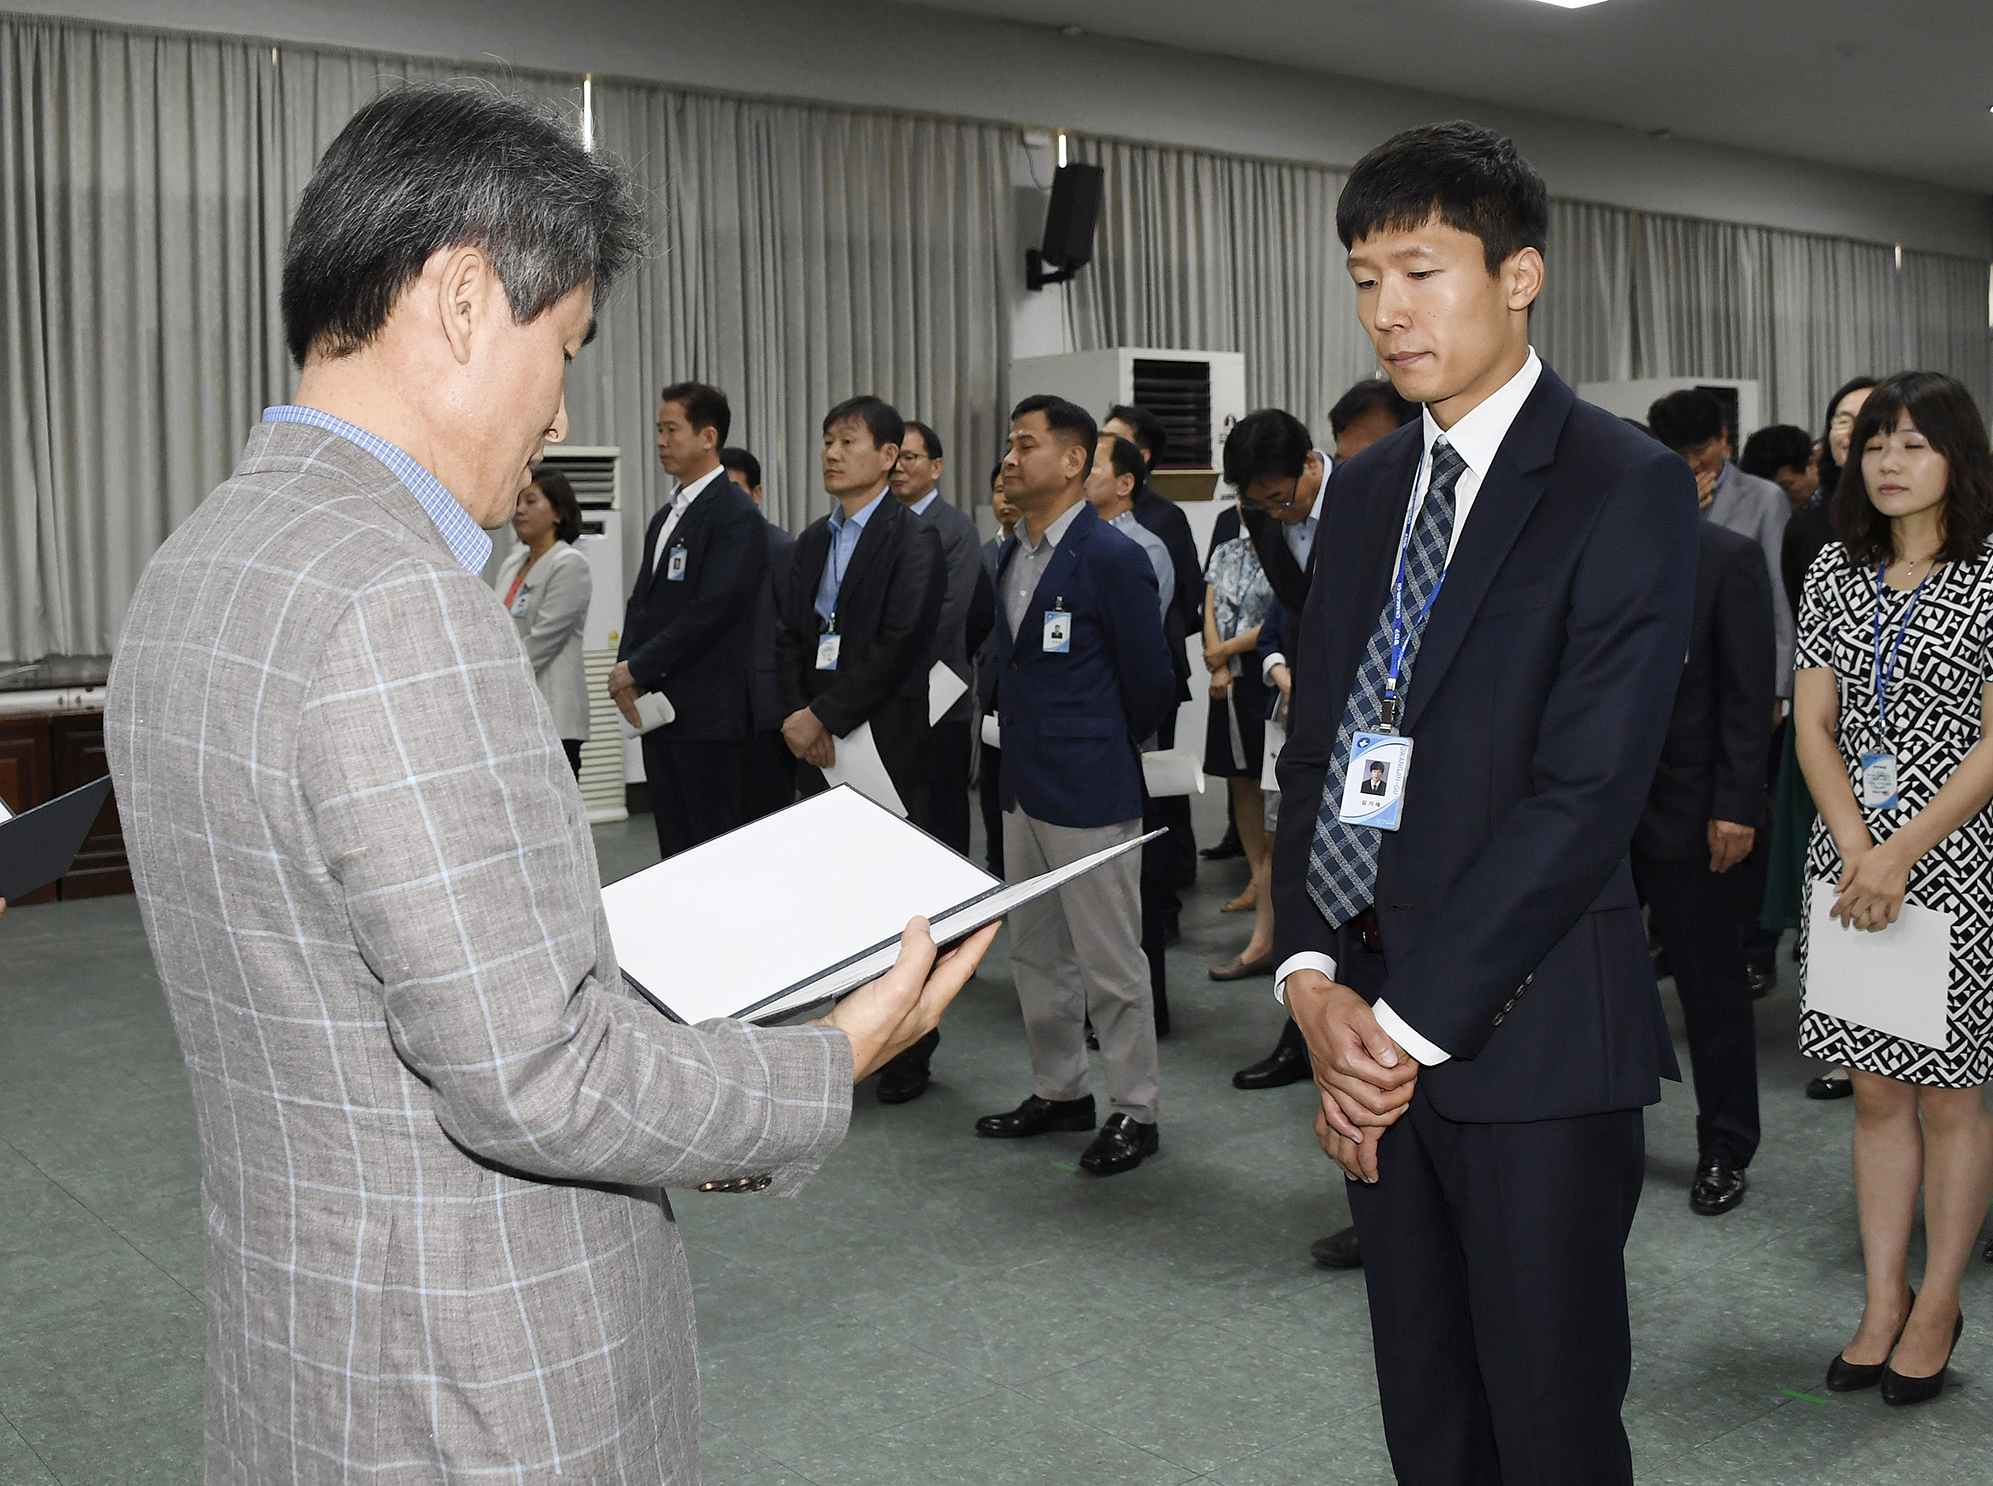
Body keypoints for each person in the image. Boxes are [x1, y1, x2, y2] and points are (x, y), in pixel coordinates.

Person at [100, 84, 996, 1486]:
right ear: (464, 297)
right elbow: (534, 1077)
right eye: (563, 345)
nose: (563, 408)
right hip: (474, 1382)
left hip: (310, 1345)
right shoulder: (402, 602)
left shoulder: (200, 564)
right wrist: (829, 1061)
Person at [1274, 121, 1695, 1485]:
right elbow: (1320, 749)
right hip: (1365, 1021)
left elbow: (1585, 797)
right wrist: (1308, 973)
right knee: (1427, 1409)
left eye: (1419, 269)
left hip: (1528, 1044)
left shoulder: (1619, 484)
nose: (1387, 311)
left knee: (1550, 1418)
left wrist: (1391, 1032)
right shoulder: (1368, 486)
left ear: (1518, 276)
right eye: (1362, 278)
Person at [1794, 371, 1993, 1407]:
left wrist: (1899, 847)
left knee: (1950, 1100)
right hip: (1848, 861)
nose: (1886, 461)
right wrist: (1853, 845)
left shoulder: (1992, 572)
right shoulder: (1835, 566)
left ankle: (1938, 1300)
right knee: (1875, 1094)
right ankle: (1881, 1297)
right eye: (1874, 442)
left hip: (1955, 858)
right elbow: (1813, 723)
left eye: (1912, 444)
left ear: (1959, 458)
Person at [975, 395, 1176, 1174]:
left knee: (1109, 960)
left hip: (1090, 784)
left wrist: (1097, 741)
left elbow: (1149, 680)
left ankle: (1136, 1109)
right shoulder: (1009, 553)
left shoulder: (1112, 556)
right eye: (1008, 443)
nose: (1010, 458)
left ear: (1072, 462)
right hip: (1022, 783)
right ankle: (1061, 1092)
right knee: (1033, 953)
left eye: (1025, 445)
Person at [777, 394, 948, 1103]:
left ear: (887, 456)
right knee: (836, 892)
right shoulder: (814, 538)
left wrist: (825, 713)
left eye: (848, 440)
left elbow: (900, 640)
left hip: (884, 739)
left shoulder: (914, 539)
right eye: (826, 440)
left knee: (899, 898)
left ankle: (910, 1047)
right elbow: (790, 630)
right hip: (815, 739)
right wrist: (799, 714)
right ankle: (851, 1037)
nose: (831, 452)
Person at [1630, 509, 1775, 1216]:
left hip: (1692, 813)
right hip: (1590, 815)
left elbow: (1749, 697)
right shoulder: (1574, 549)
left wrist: (1736, 804)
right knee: (1592, 985)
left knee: (1709, 988)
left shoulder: (1724, 558)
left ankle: (1724, 1144)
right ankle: (1603, 1137)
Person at [1649, 387, 1791, 996]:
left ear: (1725, 443)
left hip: (1749, 684)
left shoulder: (1763, 499)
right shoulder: (1655, 496)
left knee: (1741, 833)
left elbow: (1780, 602)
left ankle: (1754, 949)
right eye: (1675, 452)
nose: (1691, 464)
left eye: (1700, 449)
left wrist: (1779, 692)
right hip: (1674, 712)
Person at [1771, 376, 1876, 1100]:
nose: (1853, 434)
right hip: (1828, 752)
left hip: (1937, 786)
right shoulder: (1814, 535)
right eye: (1843, 421)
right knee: (1830, 886)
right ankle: (1847, 1040)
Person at [610, 381, 766, 859]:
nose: (661, 440)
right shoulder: (667, 515)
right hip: (660, 710)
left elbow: (712, 610)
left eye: (672, 429)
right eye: (659, 430)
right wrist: (625, 670)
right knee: (673, 846)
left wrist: (637, 667)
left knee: (710, 848)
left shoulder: (735, 513)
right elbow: (643, 601)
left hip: (707, 715)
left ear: (708, 437)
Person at [1087, 432, 1180, 1035]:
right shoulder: (1070, 542)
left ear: (1125, 483)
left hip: (1121, 737)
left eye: (1093, 464)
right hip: (1085, 745)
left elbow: (1139, 658)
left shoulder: (1145, 548)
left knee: (1129, 888)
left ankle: (1149, 1011)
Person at [1105, 403, 1203, 934]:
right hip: (1117, 690)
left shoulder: (1162, 521)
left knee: (1158, 791)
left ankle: (1165, 898)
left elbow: (1184, 597)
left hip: (1153, 675)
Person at [892, 419, 992, 856]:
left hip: (938, 698)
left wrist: (883, 664)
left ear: (935, 467)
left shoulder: (954, 528)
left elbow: (949, 616)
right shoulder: (882, 523)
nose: (898, 468)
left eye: (909, 458)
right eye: (893, 458)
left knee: (942, 819)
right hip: (887, 701)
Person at [493, 466, 592, 778]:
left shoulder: (569, 564)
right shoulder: (512, 562)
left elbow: (544, 639)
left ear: (558, 513)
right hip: (514, 711)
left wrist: (497, 679)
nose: (519, 509)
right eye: (518, 500)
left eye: (531, 501)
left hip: (554, 712)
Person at [725, 446, 800, 821]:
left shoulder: (781, 547)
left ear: (756, 494)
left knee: (768, 820)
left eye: (735, 490)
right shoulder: (710, 547)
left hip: (765, 714)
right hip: (719, 713)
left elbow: (795, 630)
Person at [976, 461, 1019, 877]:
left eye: (1010, 490)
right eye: (997, 491)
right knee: (991, 787)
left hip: (1024, 687)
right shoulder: (984, 553)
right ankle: (995, 867)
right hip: (990, 689)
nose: (1004, 499)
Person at [1741, 422, 1820, 512]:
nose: (1775, 497)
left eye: (1785, 487)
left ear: (1811, 464)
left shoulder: (1836, 508)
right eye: (1763, 492)